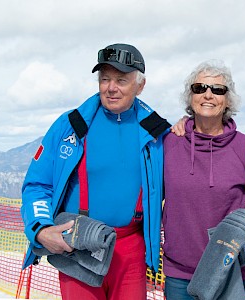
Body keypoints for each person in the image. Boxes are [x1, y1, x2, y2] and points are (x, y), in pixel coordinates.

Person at [21, 43, 171, 300]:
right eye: (105, 79)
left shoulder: (159, 134)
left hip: (132, 251)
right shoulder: (69, 126)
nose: (111, 88)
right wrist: (41, 229)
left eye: (121, 80)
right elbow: (37, 185)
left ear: (140, 85)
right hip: (79, 247)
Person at [162, 60, 245, 300]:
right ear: (190, 96)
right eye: (200, 88)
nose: (208, 94)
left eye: (218, 90)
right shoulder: (170, 143)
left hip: (230, 269)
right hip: (180, 272)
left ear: (227, 100)